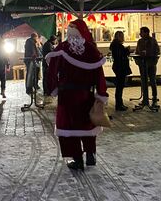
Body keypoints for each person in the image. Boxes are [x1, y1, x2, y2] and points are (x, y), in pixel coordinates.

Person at [46, 19, 108, 171]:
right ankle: (91, 155)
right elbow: (99, 75)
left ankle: (78, 159)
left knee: (69, 129)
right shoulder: (91, 50)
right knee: (87, 126)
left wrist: (52, 88)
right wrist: (101, 94)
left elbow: (52, 70)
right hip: (86, 95)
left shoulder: (63, 48)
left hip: (67, 97)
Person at [135, 27, 160, 106]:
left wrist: (149, 54)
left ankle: (154, 98)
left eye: (141, 32)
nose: (140, 34)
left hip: (151, 64)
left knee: (152, 81)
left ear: (146, 33)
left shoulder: (153, 41)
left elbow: (157, 51)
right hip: (142, 64)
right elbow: (137, 51)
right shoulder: (140, 41)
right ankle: (145, 99)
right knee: (143, 81)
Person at [109, 31, 132, 111]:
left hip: (117, 67)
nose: (123, 38)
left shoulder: (114, 45)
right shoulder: (118, 46)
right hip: (120, 67)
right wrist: (127, 50)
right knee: (120, 86)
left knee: (119, 86)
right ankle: (119, 104)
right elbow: (121, 55)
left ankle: (119, 104)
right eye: (122, 36)